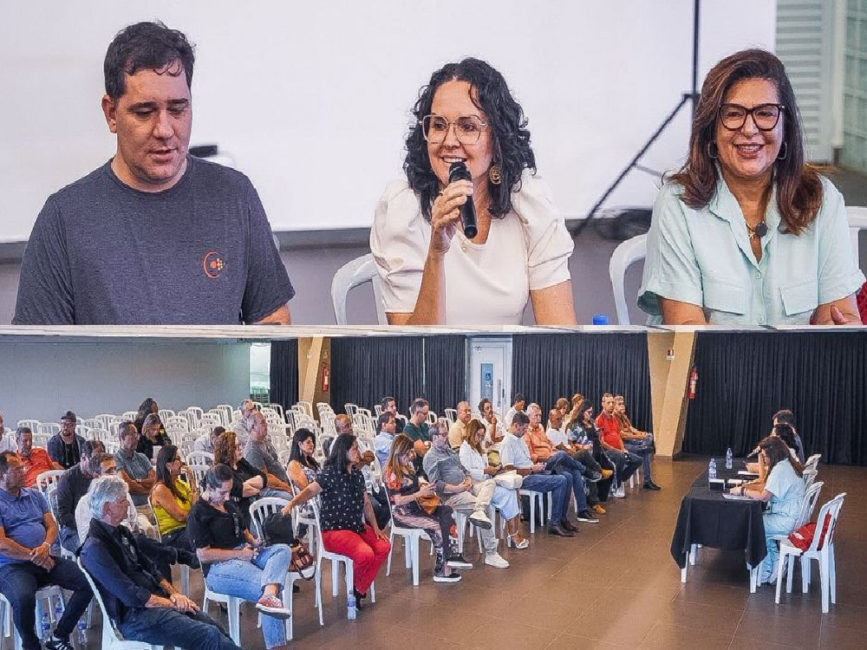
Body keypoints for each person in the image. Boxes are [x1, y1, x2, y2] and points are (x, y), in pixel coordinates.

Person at [13, 21, 294, 326]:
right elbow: (39, 348)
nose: (164, 130)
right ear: (111, 113)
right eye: (144, 112)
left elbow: (272, 319)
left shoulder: (235, 197)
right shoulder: (63, 219)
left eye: (177, 110)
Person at [639, 49, 864, 326]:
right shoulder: (678, 203)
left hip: (799, 358)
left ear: (785, 126)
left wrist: (842, 330)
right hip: (709, 358)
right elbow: (687, 332)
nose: (749, 129)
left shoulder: (822, 199)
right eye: (733, 114)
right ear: (711, 129)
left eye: (765, 113)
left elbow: (839, 318)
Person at [370, 57, 576, 326]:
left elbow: (560, 333)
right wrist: (436, 253)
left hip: (506, 355)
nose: (449, 141)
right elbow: (414, 347)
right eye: (438, 125)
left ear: (497, 137)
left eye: (468, 127)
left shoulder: (528, 203)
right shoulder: (403, 210)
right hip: (432, 355)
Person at [80, 475, 240, 650]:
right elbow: (131, 596)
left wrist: (175, 594)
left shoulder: (121, 531)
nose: (128, 504)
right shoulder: (95, 549)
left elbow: (150, 568)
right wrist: (173, 604)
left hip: (154, 601)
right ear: (108, 508)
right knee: (208, 635)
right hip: (135, 617)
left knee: (211, 625)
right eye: (123, 500)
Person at [187, 465, 293, 649]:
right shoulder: (198, 513)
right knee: (264, 588)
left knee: (282, 550)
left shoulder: (227, 505)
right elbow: (203, 555)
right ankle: (270, 604)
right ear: (209, 488)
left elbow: (242, 530)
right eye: (223, 493)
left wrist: (253, 541)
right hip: (218, 568)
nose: (227, 497)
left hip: (244, 553)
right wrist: (240, 554)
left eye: (229, 492)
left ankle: (269, 595)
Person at [282, 434, 390, 608]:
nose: (358, 452)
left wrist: (376, 528)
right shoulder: (329, 473)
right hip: (334, 530)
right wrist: (292, 503)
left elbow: (366, 504)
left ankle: (358, 587)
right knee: (366, 554)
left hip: (356, 527)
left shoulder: (357, 474)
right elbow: (310, 491)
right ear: (343, 451)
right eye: (354, 448)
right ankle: (356, 588)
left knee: (384, 546)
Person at [0, 451, 93, 650]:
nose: (24, 472)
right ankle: (31, 645)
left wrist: (45, 547)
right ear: (1, 475)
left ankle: (59, 636)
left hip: (44, 557)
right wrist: (34, 556)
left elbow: (52, 525)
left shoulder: (34, 495)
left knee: (88, 581)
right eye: (17, 469)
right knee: (23, 599)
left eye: (22, 468)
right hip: (12, 567)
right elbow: (2, 544)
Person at [75, 453, 198, 583]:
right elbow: (86, 540)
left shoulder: (123, 494)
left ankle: (168, 591)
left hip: (128, 540)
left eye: (115, 469)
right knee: (141, 542)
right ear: (96, 476)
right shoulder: (84, 504)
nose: (114, 474)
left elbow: (133, 521)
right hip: (107, 550)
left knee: (157, 558)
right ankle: (181, 557)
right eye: (108, 471)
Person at [423, 420, 510, 568]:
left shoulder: (449, 451)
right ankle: (491, 553)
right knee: (483, 509)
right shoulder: (430, 457)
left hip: (467, 487)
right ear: (434, 438)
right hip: (451, 496)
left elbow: (464, 469)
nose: (446, 437)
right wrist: (458, 488)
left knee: (490, 483)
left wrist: (468, 479)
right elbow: (436, 485)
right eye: (443, 435)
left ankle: (479, 510)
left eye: (446, 434)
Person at [384, 434, 462, 583]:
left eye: (410, 452)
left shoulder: (407, 468)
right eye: (407, 453)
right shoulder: (392, 473)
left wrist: (425, 487)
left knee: (446, 512)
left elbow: (414, 487)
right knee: (437, 525)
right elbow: (397, 500)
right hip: (403, 514)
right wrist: (419, 494)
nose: (410, 456)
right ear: (399, 452)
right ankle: (442, 569)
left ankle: (451, 557)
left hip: (417, 508)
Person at [730, 436, 805, 584]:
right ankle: (776, 561)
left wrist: (743, 491)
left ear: (773, 454)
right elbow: (766, 488)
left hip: (787, 519)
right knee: (760, 523)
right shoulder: (786, 464)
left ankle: (765, 570)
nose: (764, 460)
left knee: (755, 525)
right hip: (793, 515)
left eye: (765, 456)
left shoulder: (780, 469)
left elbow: (764, 497)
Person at [499, 413, 574, 537]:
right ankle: (554, 523)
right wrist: (531, 469)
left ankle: (562, 518)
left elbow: (527, 460)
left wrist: (535, 466)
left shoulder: (519, 439)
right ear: (516, 425)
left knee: (568, 476)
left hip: (532, 471)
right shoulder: (507, 443)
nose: (525, 432)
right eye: (523, 429)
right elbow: (508, 470)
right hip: (523, 479)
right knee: (561, 480)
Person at [458, 419, 528, 548]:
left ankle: (513, 532)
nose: (480, 438)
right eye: (478, 435)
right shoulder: (464, 449)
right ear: (471, 433)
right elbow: (466, 471)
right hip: (475, 486)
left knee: (512, 491)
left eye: (482, 435)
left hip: (486, 481)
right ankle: (513, 534)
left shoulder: (478, 449)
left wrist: (494, 469)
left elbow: (485, 467)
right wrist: (485, 471)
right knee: (509, 495)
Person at [523, 404, 599, 523]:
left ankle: (580, 511)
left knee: (574, 472)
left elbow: (551, 445)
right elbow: (531, 456)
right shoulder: (526, 433)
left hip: (554, 460)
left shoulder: (540, 430)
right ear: (528, 417)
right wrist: (551, 457)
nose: (539, 419)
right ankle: (587, 471)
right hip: (542, 463)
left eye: (540, 416)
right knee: (566, 454)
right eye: (536, 416)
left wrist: (555, 453)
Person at [546, 407, 610, 516]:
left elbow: (569, 442)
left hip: (572, 457)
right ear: (551, 419)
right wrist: (572, 449)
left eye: (561, 419)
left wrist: (573, 447)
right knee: (584, 453)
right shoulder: (550, 433)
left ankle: (593, 503)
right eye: (558, 419)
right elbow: (562, 449)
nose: (560, 421)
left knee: (589, 471)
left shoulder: (560, 430)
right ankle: (600, 471)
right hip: (564, 461)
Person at [334, 415, 390, 530]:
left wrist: (361, 458)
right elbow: (350, 469)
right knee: (375, 507)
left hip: (371, 483)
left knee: (391, 499)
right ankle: (371, 530)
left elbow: (371, 456)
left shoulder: (355, 440)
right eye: (346, 426)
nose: (350, 428)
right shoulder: (336, 446)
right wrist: (363, 460)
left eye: (350, 424)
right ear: (338, 430)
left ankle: (376, 530)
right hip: (355, 487)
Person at [56, 440, 106, 552]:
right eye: (94, 461)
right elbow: (63, 516)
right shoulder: (68, 479)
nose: (97, 465)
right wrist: (87, 525)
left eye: (100, 461)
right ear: (83, 458)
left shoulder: (100, 475)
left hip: (98, 524)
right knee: (93, 549)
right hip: (72, 529)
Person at [213, 431, 268, 527]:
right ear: (227, 450)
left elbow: (263, 477)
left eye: (240, 445)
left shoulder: (241, 462)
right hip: (240, 513)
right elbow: (241, 490)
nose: (240, 449)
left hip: (256, 504)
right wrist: (255, 486)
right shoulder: (223, 470)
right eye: (236, 447)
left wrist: (247, 484)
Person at [151, 445, 197, 553]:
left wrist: (192, 481)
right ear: (168, 465)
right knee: (206, 534)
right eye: (178, 459)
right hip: (173, 535)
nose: (182, 463)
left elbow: (195, 506)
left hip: (187, 528)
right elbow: (180, 516)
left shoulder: (180, 484)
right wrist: (198, 515)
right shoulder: (161, 489)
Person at [113, 421, 157, 535]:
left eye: (136, 434)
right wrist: (148, 489)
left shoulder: (142, 457)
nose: (137, 438)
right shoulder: (116, 459)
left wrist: (139, 481)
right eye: (132, 434)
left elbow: (155, 479)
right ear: (122, 437)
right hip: (135, 509)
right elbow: (128, 485)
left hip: (153, 504)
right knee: (148, 530)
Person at [570, 401, 617, 503]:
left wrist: (599, 433)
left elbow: (596, 435)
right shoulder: (575, 425)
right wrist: (583, 446)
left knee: (610, 466)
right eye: (589, 412)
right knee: (594, 469)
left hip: (598, 449)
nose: (591, 414)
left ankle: (602, 495)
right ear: (582, 411)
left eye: (591, 412)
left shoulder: (591, 422)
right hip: (586, 453)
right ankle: (593, 500)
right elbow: (571, 443)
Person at [595, 395, 643, 495]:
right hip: (606, 451)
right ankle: (616, 487)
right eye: (608, 403)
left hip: (618, 450)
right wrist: (616, 450)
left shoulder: (614, 419)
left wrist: (623, 449)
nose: (611, 405)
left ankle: (619, 479)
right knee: (620, 457)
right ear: (603, 404)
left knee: (638, 460)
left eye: (613, 402)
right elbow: (602, 442)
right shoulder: (599, 420)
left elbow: (618, 436)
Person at [243, 412, 293, 500]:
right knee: (290, 498)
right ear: (253, 427)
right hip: (267, 489)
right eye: (262, 423)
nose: (266, 425)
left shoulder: (264, 440)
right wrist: (286, 487)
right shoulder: (253, 451)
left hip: (281, 482)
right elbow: (265, 479)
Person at [613, 396, 660, 491]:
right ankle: (647, 480)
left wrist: (642, 433)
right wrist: (638, 436)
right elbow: (623, 436)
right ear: (614, 406)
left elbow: (632, 429)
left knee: (649, 437)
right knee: (645, 452)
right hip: (622, 444)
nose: (622, 406)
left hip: (630, 440)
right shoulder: (614, 418)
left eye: (623, 404)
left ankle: (642, 448)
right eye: (620, 404)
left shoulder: (623, 416)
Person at [403, 398, 432, 476]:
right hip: (420, 469)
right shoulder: (409, 429)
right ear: (417, 413)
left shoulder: (425, 426)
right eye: (425, 414)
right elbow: (423, 452)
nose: (427, 417)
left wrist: (429, 445)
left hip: (430, 465)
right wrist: (431, 445)